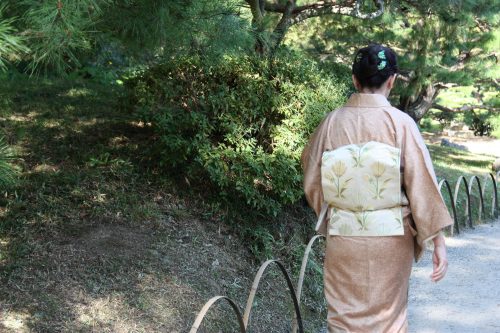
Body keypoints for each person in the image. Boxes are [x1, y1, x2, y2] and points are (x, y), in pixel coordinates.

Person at [301, 44, 453, 333]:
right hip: (391, 238)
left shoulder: (331, 122)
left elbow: (312, 177)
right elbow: (421, 182)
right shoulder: (402, 124)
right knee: (389, 321)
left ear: (355, 80)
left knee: (343, 318)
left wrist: (337, 211)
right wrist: (438, 240)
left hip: (344, 236)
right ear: (392, 81)